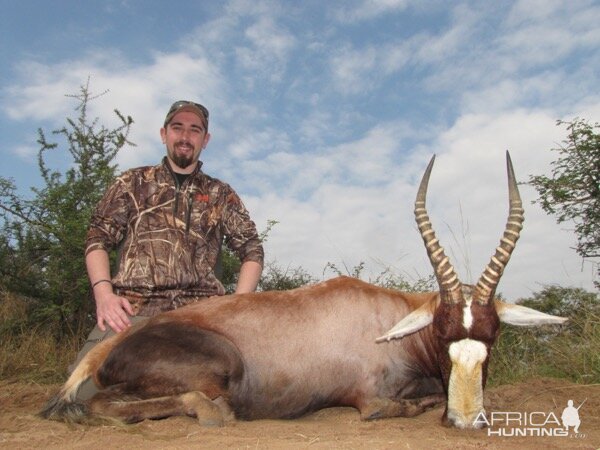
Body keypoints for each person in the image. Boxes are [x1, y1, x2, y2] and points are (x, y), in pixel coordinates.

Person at [71, 100, 264, 396]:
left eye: (194, 129)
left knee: (245, 391)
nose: (185, 136)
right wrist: (104, 295)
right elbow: (97, 237)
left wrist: (236, 307)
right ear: (164, 134)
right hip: (133, 312)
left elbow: (251, 250)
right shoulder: (130, 183)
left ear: (205, 140)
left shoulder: (221, 194)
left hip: (200, 317)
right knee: (80, 394)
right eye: (178, 128)